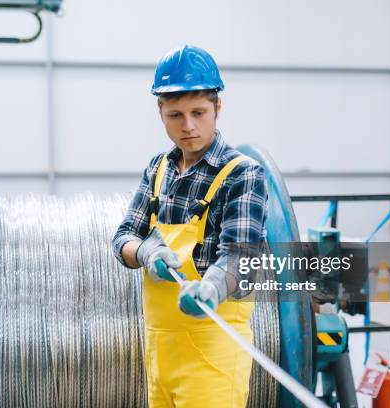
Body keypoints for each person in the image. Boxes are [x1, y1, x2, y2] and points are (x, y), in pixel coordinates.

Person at [112, 44, 267, 407]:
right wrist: (146, 251)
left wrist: (211, 288)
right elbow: (123, 238)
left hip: (212, 355)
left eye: (198, 112)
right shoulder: (158, 169)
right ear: (160, 113)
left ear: (218, 108)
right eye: (175, 115)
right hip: (161, 355)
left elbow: (242, 256)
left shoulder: (241, 173)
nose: (189, 126)